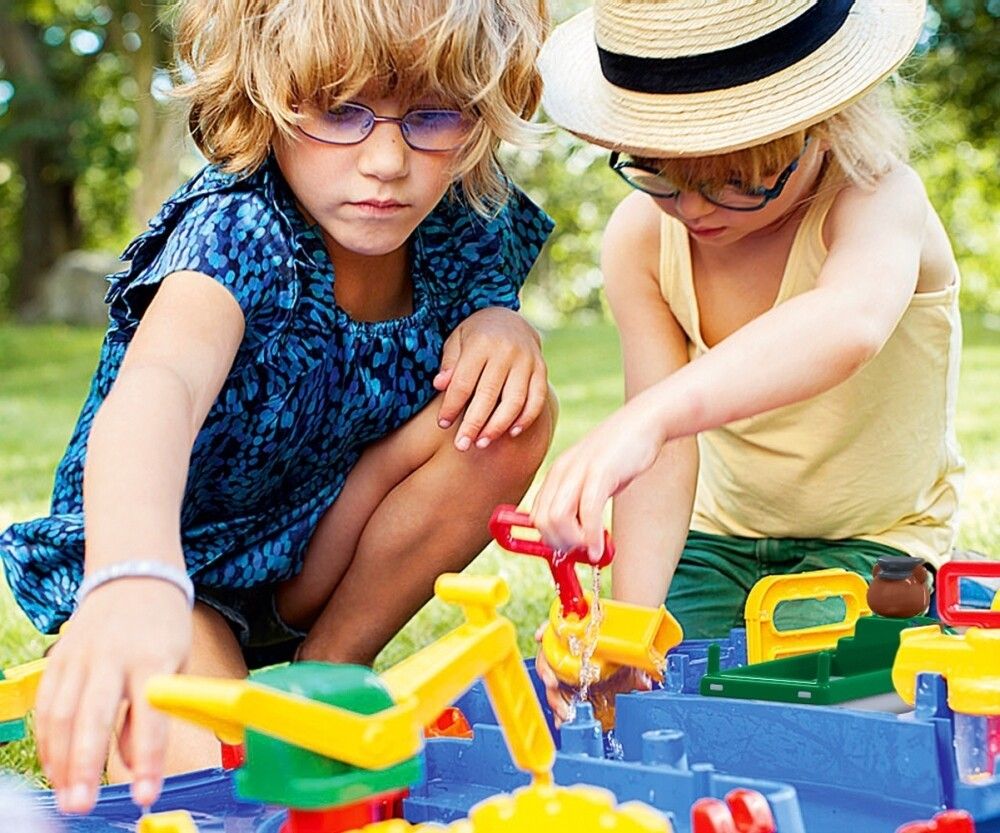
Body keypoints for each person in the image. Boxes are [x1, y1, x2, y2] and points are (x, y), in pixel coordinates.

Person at [0, 0, 555, 813]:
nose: (388, 160)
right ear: (266, 97)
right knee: (216, 784)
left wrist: (503, 325)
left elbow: (486, 328)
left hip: (313, 550)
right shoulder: (239, 226)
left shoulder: (465, 220)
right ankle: (200, 660)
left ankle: (326, 675)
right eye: (341, 111)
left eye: (434, 115)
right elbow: (158, 388)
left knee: (512, 411)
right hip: (175, 569)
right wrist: (132, 576)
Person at [530, 0, 963, 722]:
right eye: (660, 172)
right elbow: (665, 455)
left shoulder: (880, 200)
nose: (696, 209)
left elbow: (845, 324)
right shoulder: (641, 237)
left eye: (740, 176)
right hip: (719, 542)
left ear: (826, 124)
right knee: (661, 698)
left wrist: (649, 415)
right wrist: (633, 621)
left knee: (816, 703)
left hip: (876, 543)